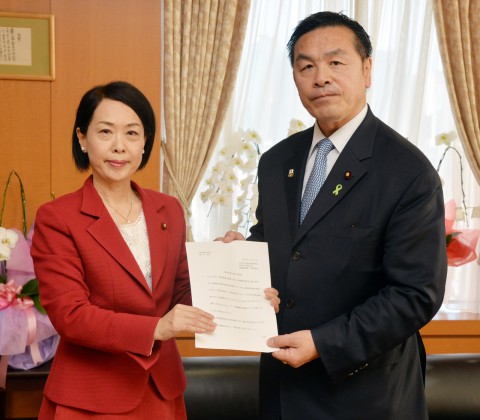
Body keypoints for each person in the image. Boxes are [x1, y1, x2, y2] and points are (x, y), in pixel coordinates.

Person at [220, 11, 447, 420]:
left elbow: (415, 294)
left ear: (367, 69)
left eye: (335, 62)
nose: (320, 77)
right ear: (294, 78)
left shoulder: (408, 172)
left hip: (366, 393)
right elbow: (281, 244)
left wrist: (324, 343)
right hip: (283, 389)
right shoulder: (276, 161)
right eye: (306, 66)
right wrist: (243, 258)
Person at [30, 81, 218, 419]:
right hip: (90, 397)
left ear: (144, 143)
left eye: (132, 134)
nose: (120, 147)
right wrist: (156, 329)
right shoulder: (57, 218)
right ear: (82, 139)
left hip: (161, 390)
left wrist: (222, 265)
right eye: (105, 132)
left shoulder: (169, 209)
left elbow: (181, 294)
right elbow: (70, 316)